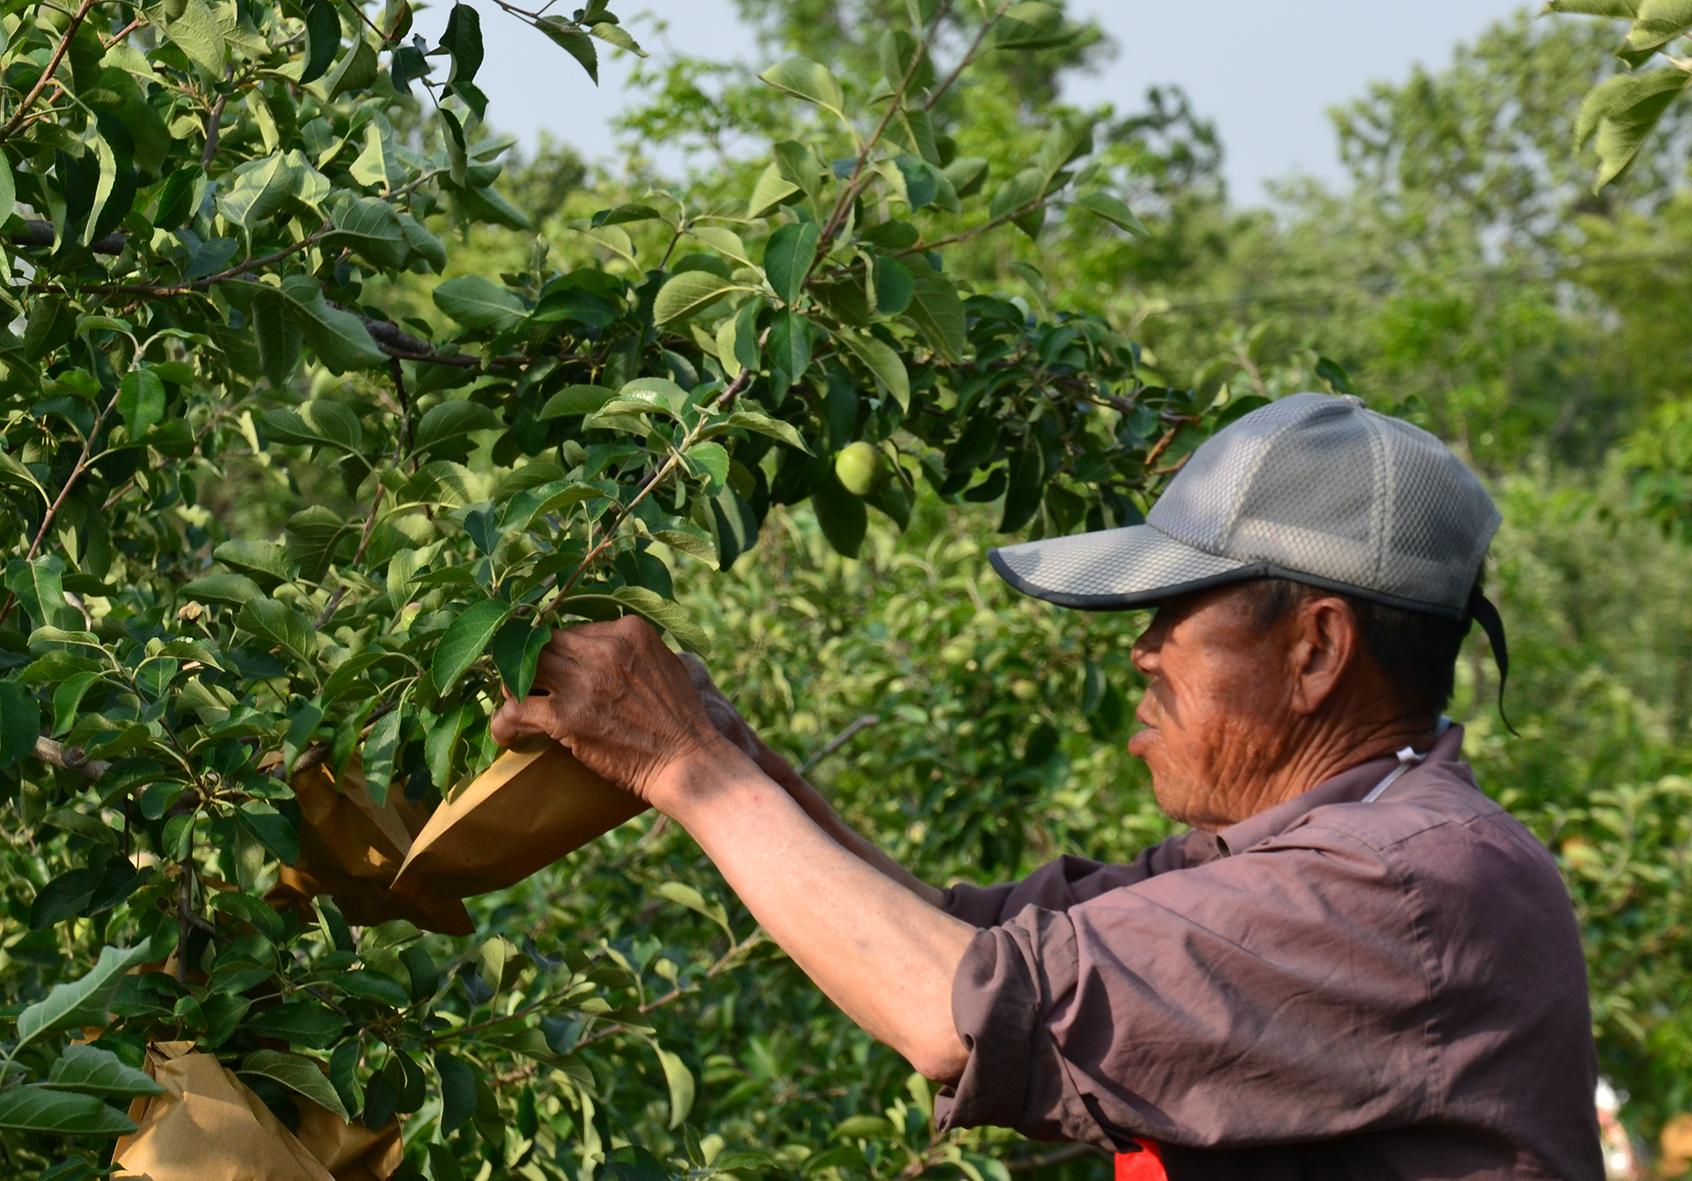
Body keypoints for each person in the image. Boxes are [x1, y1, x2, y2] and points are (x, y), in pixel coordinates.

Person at [492, 392, 1604, 1179]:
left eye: (1176, 613)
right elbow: (956, 941)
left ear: (1315, 649)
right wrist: (735, 749)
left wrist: (685, 766)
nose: (1143, 650)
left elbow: (954, 1009)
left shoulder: (1402, 884)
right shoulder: (1310, 851)